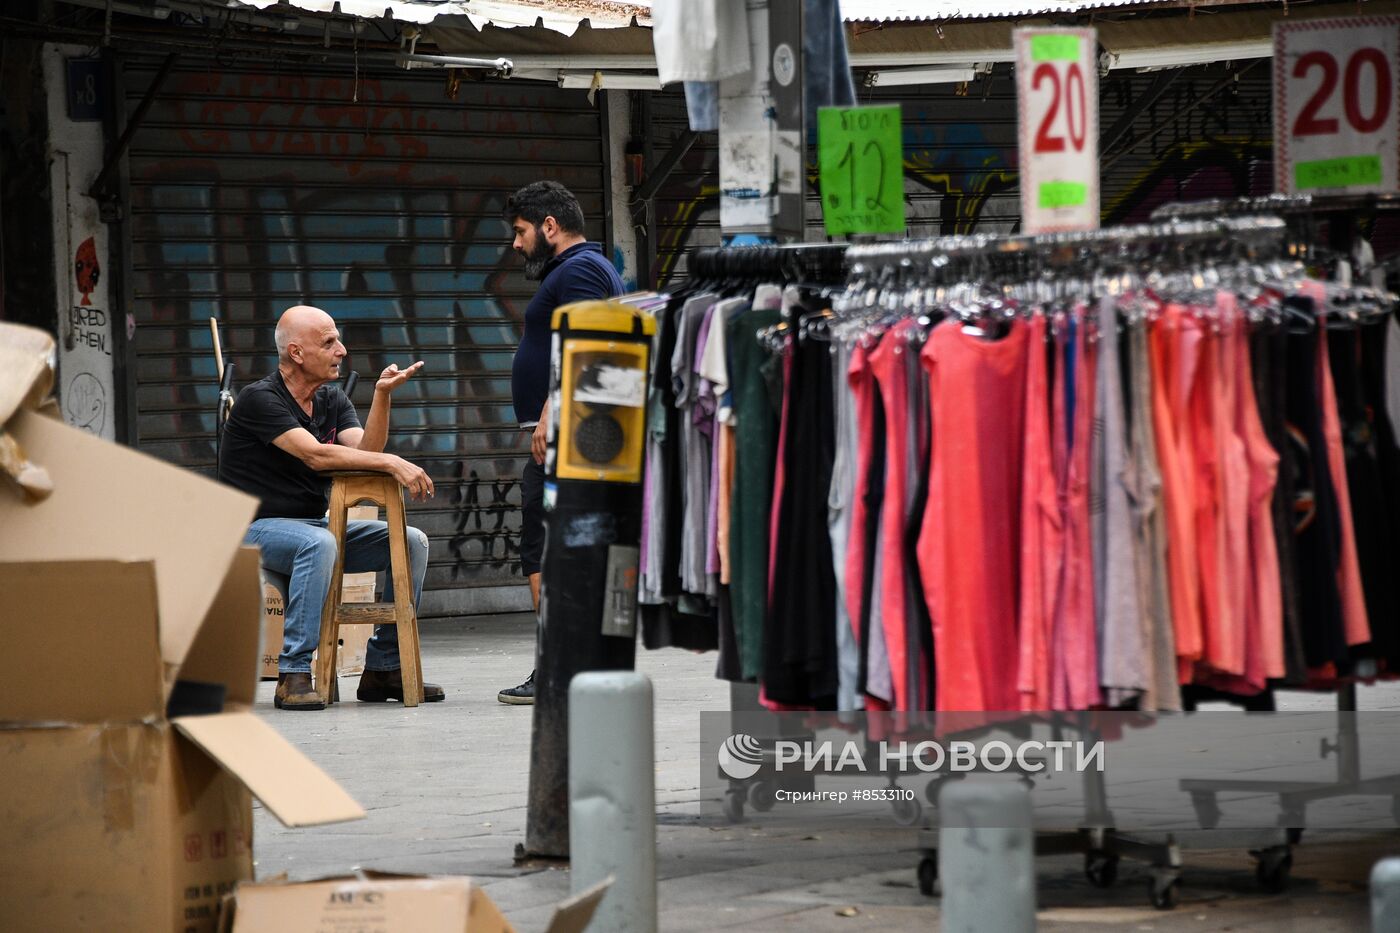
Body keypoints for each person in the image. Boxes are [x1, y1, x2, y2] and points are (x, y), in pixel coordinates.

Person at [218, 304, 446, 711]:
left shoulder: (330, 399)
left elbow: (364, 452)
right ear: (296, 353)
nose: (341, 350)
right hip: (255, 527)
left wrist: (381, 397)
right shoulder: (260, 399)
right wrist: (394, 463)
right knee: (318, 545)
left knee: (413, 542)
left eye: (338, 339)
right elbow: (317, 457)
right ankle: (293, 674)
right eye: (329, 342)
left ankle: (382, 668)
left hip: (312, 525)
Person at [498, 181, 625, 705]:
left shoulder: (580, 270)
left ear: (550, 226)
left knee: (548, 548)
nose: (516, 244)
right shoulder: (577, 271)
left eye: (521, 231)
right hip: (570, 433)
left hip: (569, 437)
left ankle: (561, 666)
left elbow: (592, 344)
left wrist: (553, 410)